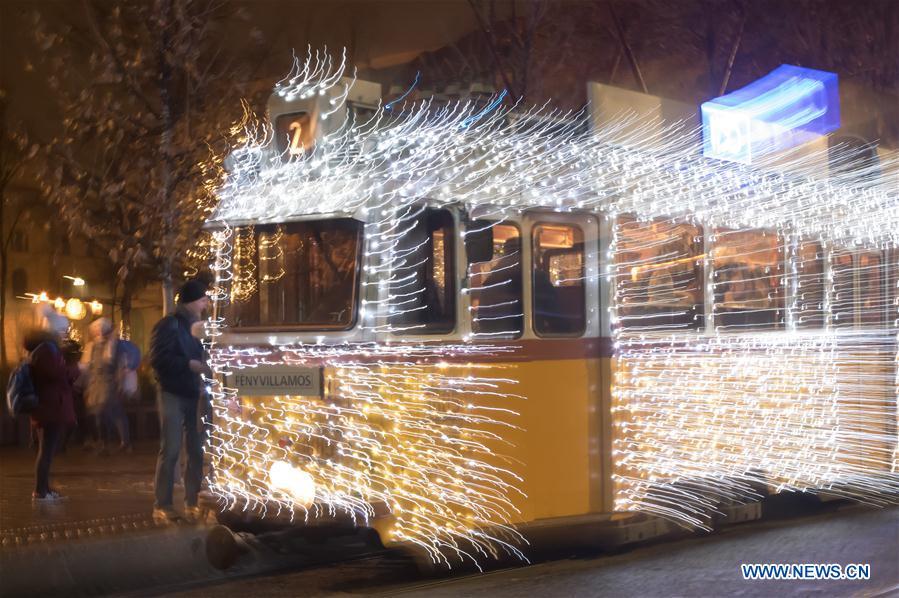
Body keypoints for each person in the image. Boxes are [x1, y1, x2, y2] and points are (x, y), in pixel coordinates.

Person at [149, 279, 212, 522]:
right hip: (173, 392)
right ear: (191, 302)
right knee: (172, 448)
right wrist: (189, 364)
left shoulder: (202, 326)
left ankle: (192, 501)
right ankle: (162, 505)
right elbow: (158, 359)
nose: (206, 303)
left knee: (196, 450)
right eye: (202, 299)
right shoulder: (169, 325)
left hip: (195, 393)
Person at [25, 305, 77, 501]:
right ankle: (40, 491)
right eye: (63, 330)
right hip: (50, 406)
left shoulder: (47, 349)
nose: (65, 333)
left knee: (47, 450)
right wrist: (73, 367)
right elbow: (56, 374)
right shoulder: (47, 350)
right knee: (46, 451)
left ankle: (44, 488)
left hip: (50, 405)